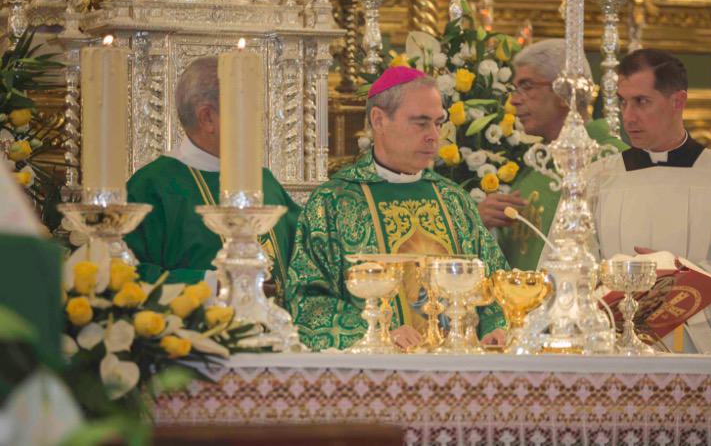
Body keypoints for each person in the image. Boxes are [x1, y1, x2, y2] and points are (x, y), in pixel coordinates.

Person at [285, 66, 509, 351]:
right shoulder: (333, 203)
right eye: (420, 123)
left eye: (438, 123)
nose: (434, 136)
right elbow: (307, 304)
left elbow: (495, 284)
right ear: (379, 120)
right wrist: (377, 332)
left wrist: (495, 329)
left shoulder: (454, 201)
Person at [586, 49, 711, 354]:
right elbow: (569, 264)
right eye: (623, 102)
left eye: (641, 102)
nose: (628, 117)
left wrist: (677, 275)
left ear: (678, 102)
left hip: (696, 359)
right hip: (610, 352)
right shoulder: (596, 180)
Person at [125, 56, 300, 305]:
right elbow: (122, 277)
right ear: (207, 118)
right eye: (248, 112)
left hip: (278, 339)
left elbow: (307, 248)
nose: (260, 124)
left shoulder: (263, 180)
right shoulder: (152, 186)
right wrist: (210, 285)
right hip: (194, 340)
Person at [478, 39, 627, 270]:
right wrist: (483, 225)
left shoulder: (615, 161)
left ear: (565, 90)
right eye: (515, 89)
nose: (514, 100)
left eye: (527, 86)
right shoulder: (536, 165)